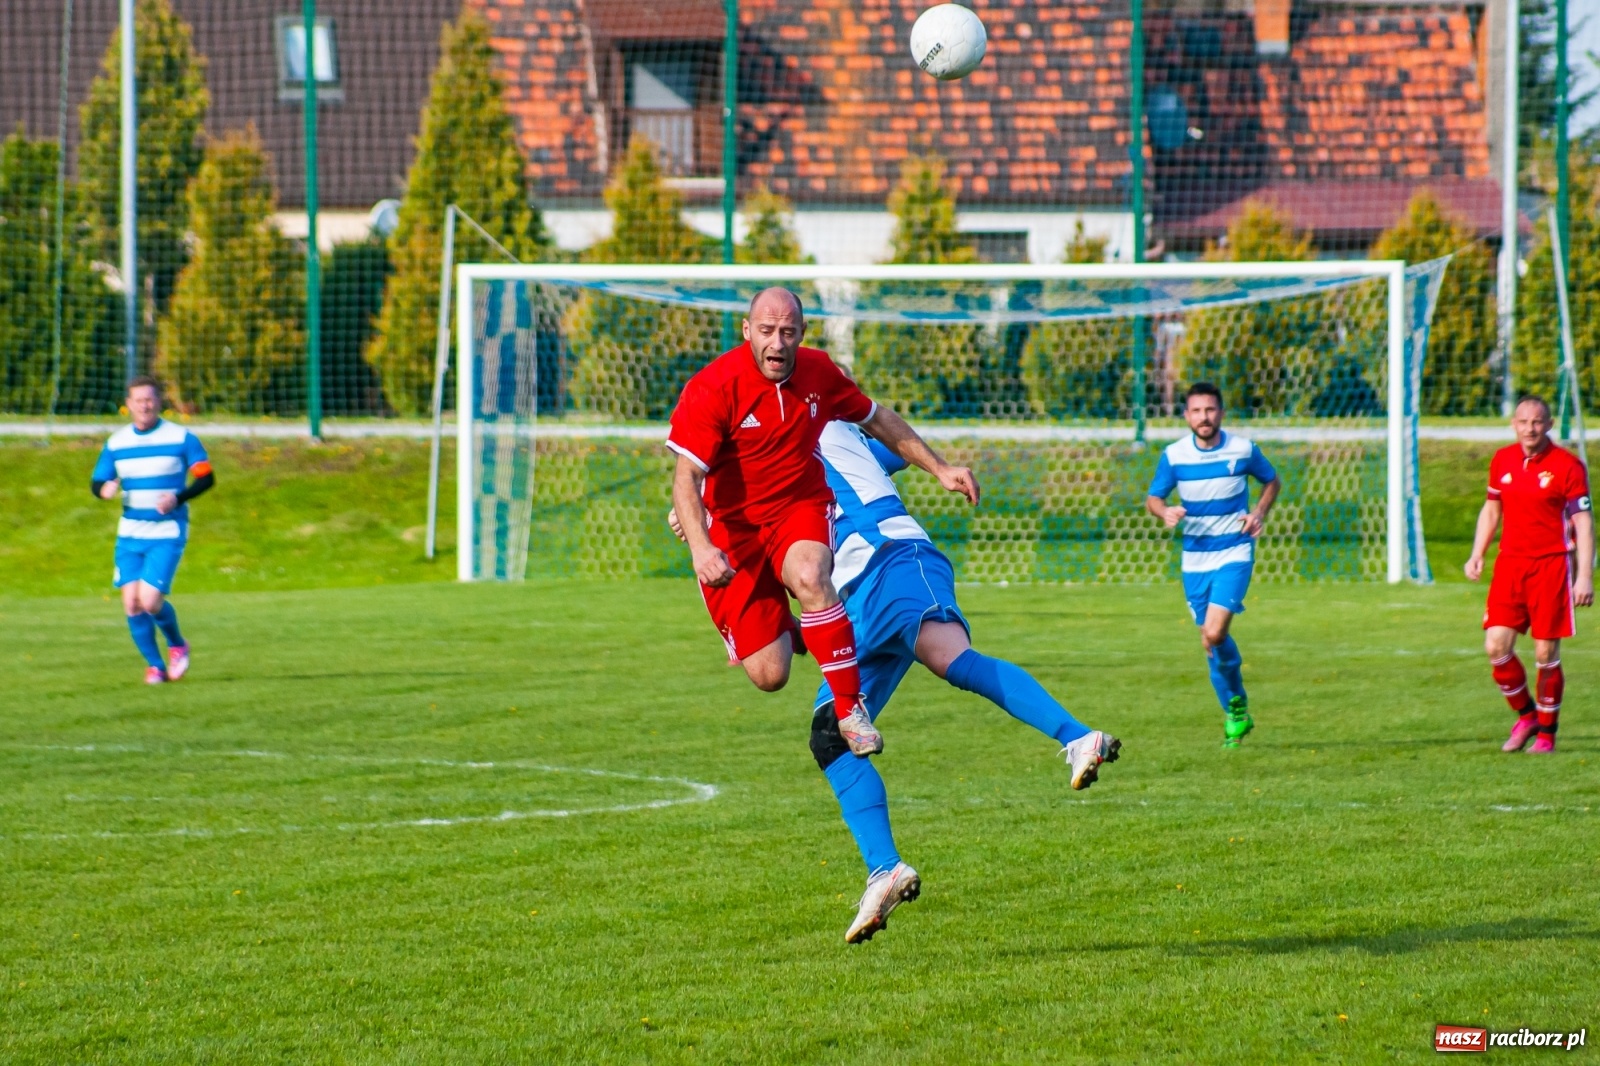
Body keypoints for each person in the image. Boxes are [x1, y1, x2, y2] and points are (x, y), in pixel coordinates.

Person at [667, 288, 979, 756]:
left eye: (788, 332)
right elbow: (686, 477)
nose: (777, 343)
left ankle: (851, 710)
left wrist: (939, 467)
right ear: (748, 331)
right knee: (770, 676)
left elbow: (878, 420)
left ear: (802, 334)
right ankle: (793, 628)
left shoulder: (819, 373)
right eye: (767, 331)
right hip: (734, 529)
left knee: (812, 574)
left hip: (799, 507)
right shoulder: (713, 387)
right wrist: (701, 547)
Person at [1145, 382, 1281, 748]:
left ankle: (1236, 708)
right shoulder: (1174, 456)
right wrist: (1165, 511)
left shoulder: (1242, 449)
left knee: (1216, 632)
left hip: (1235, 550)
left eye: (1210, 410)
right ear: (1187, 415)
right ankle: (1236, 710)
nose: (1204, 417)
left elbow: (1271, 480)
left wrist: (1258, 513)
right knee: (1209, 640)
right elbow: (1154, 498)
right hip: (1195, 558)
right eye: (1197, 411)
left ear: (1220, 413)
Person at [1465, 395, 1593, 754]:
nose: (1530, 428)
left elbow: (1583, 523)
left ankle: (1547, 735)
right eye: (1523, 422)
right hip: (1510, 564)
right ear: (1514, 425)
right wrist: (1477, 554)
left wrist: (1584, 576)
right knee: (1496, 646)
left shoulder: (1568, 466)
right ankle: (1527, 715)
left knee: (1544, 654)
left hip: (1552, 566)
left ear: (1549, 424)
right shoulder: (1502, 460)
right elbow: (1491, 510)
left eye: (1537, 422)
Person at [91, 376, 215, 684]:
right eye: (138, 400)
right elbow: (98, 481)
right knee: (131, 602)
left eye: (150, 399)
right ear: (128, 404)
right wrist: (103, 489)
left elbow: (206, 478)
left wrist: (178, 497)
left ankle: (177, 644)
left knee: (149, 600)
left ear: (159, 402)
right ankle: (155, 666)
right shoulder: (117, 442)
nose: (145, 405)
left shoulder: (181, 437)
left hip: (167, 531)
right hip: (130, 533)